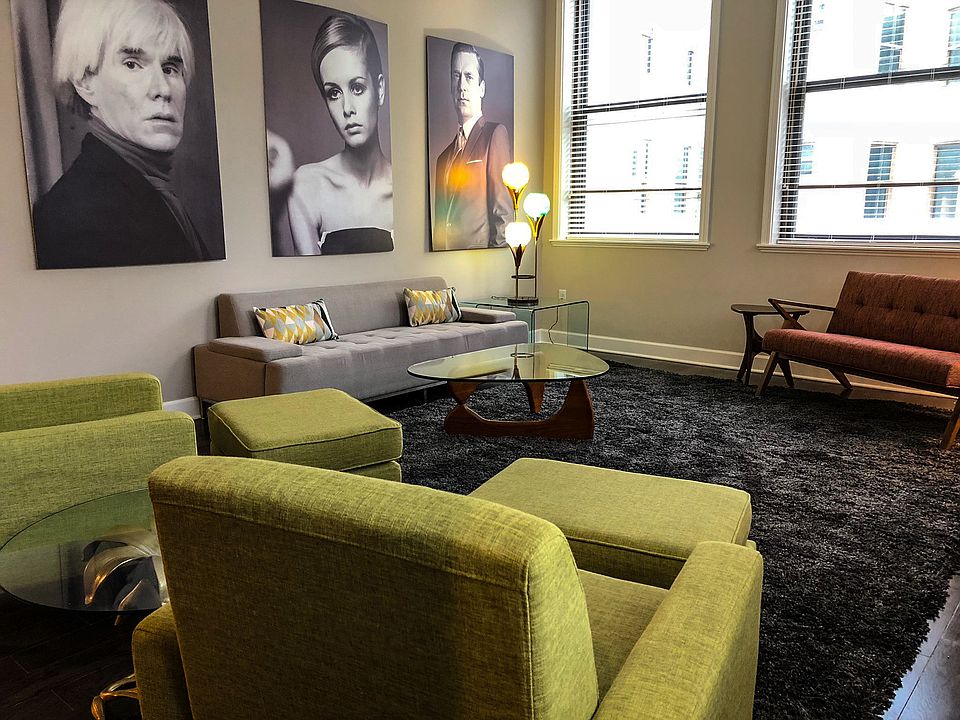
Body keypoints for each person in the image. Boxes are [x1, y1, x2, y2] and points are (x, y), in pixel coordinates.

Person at [33, 0, 214, 269]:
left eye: (170, 68)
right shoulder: (81, 215)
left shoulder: (140, 189)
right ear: (85, 81)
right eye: (132, 64)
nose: (163, 90)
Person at [285, 12, 393, 255]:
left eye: (357, 88)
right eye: (334, 93)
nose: (347, 109)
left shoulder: (404, 191)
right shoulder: (308, 185)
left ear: (380, 89)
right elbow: (309, 277)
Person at [433, 42, 513, 251]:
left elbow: (503, 214)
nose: (461, 86)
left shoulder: (494, 135)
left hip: (479, 261)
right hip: (442, 260)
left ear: (481, 88)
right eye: (456, 76)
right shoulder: (443, 158)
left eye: (469, 76)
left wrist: (494, 260)